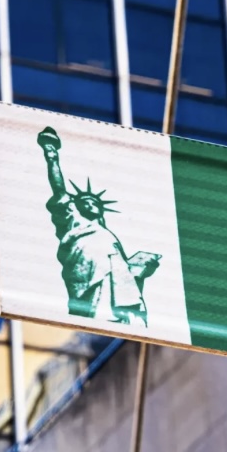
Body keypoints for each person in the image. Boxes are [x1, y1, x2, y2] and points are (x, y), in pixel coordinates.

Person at [38, 126, 160, 326]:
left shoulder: (110, 237)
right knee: (93, 316)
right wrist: (51, 155)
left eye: (95, 202)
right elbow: (59, 190)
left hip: (115, 291)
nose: (90, 203)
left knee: (123, 322)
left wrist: (141, 267)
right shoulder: (72, 220)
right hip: (86, 281)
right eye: (85, 201)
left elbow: (125, 278)